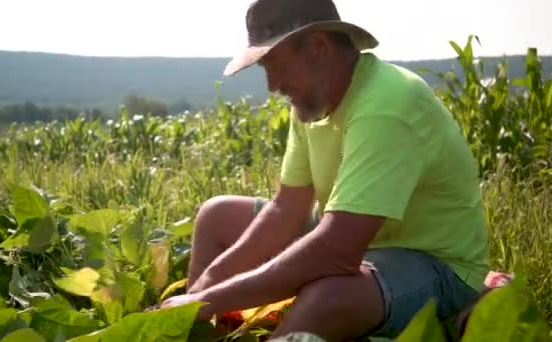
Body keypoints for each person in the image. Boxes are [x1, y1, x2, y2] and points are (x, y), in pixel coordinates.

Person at [160, 0, 491, 340]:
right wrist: (201, 291)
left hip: (434, 263)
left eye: (275, 64)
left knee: (326, 296)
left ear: (318, 46)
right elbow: (286, 208)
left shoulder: (387, 105)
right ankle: (192, 333)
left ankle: (465, 308)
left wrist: (210, 299)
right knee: (216, 215)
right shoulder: (313, 100)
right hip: (358, 241)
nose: (272, 84)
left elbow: (336, 250)